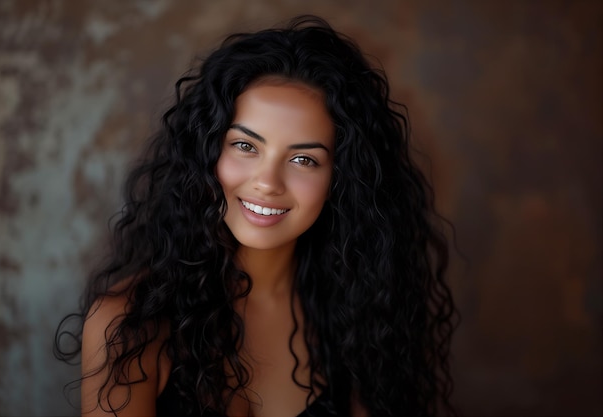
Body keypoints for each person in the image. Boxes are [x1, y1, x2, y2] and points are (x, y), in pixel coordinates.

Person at [55, 15, 457, 417]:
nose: (267, 182)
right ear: (206, 152)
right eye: (245, 146)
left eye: (303, 159)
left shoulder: (362, 314)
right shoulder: (128, 325)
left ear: (343, 178)